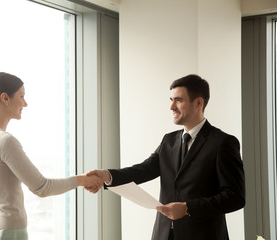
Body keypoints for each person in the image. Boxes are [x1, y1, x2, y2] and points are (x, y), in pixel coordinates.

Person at [87, 74, 245, 240]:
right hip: (163, 235)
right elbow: (142, 170)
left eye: (178, 100)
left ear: (198, 103)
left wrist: (187, 208)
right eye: (171, 99)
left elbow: (235, 197)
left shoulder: (223, 143)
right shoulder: (168, 140)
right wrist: (107, 176)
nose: (171, 107)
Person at [0, 72, 103, 240]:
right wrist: (81, 180)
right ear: (5, 98)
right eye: (22, 96)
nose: (25, 103)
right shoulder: (4, 141)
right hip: (9, 234)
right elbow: (42, 188)